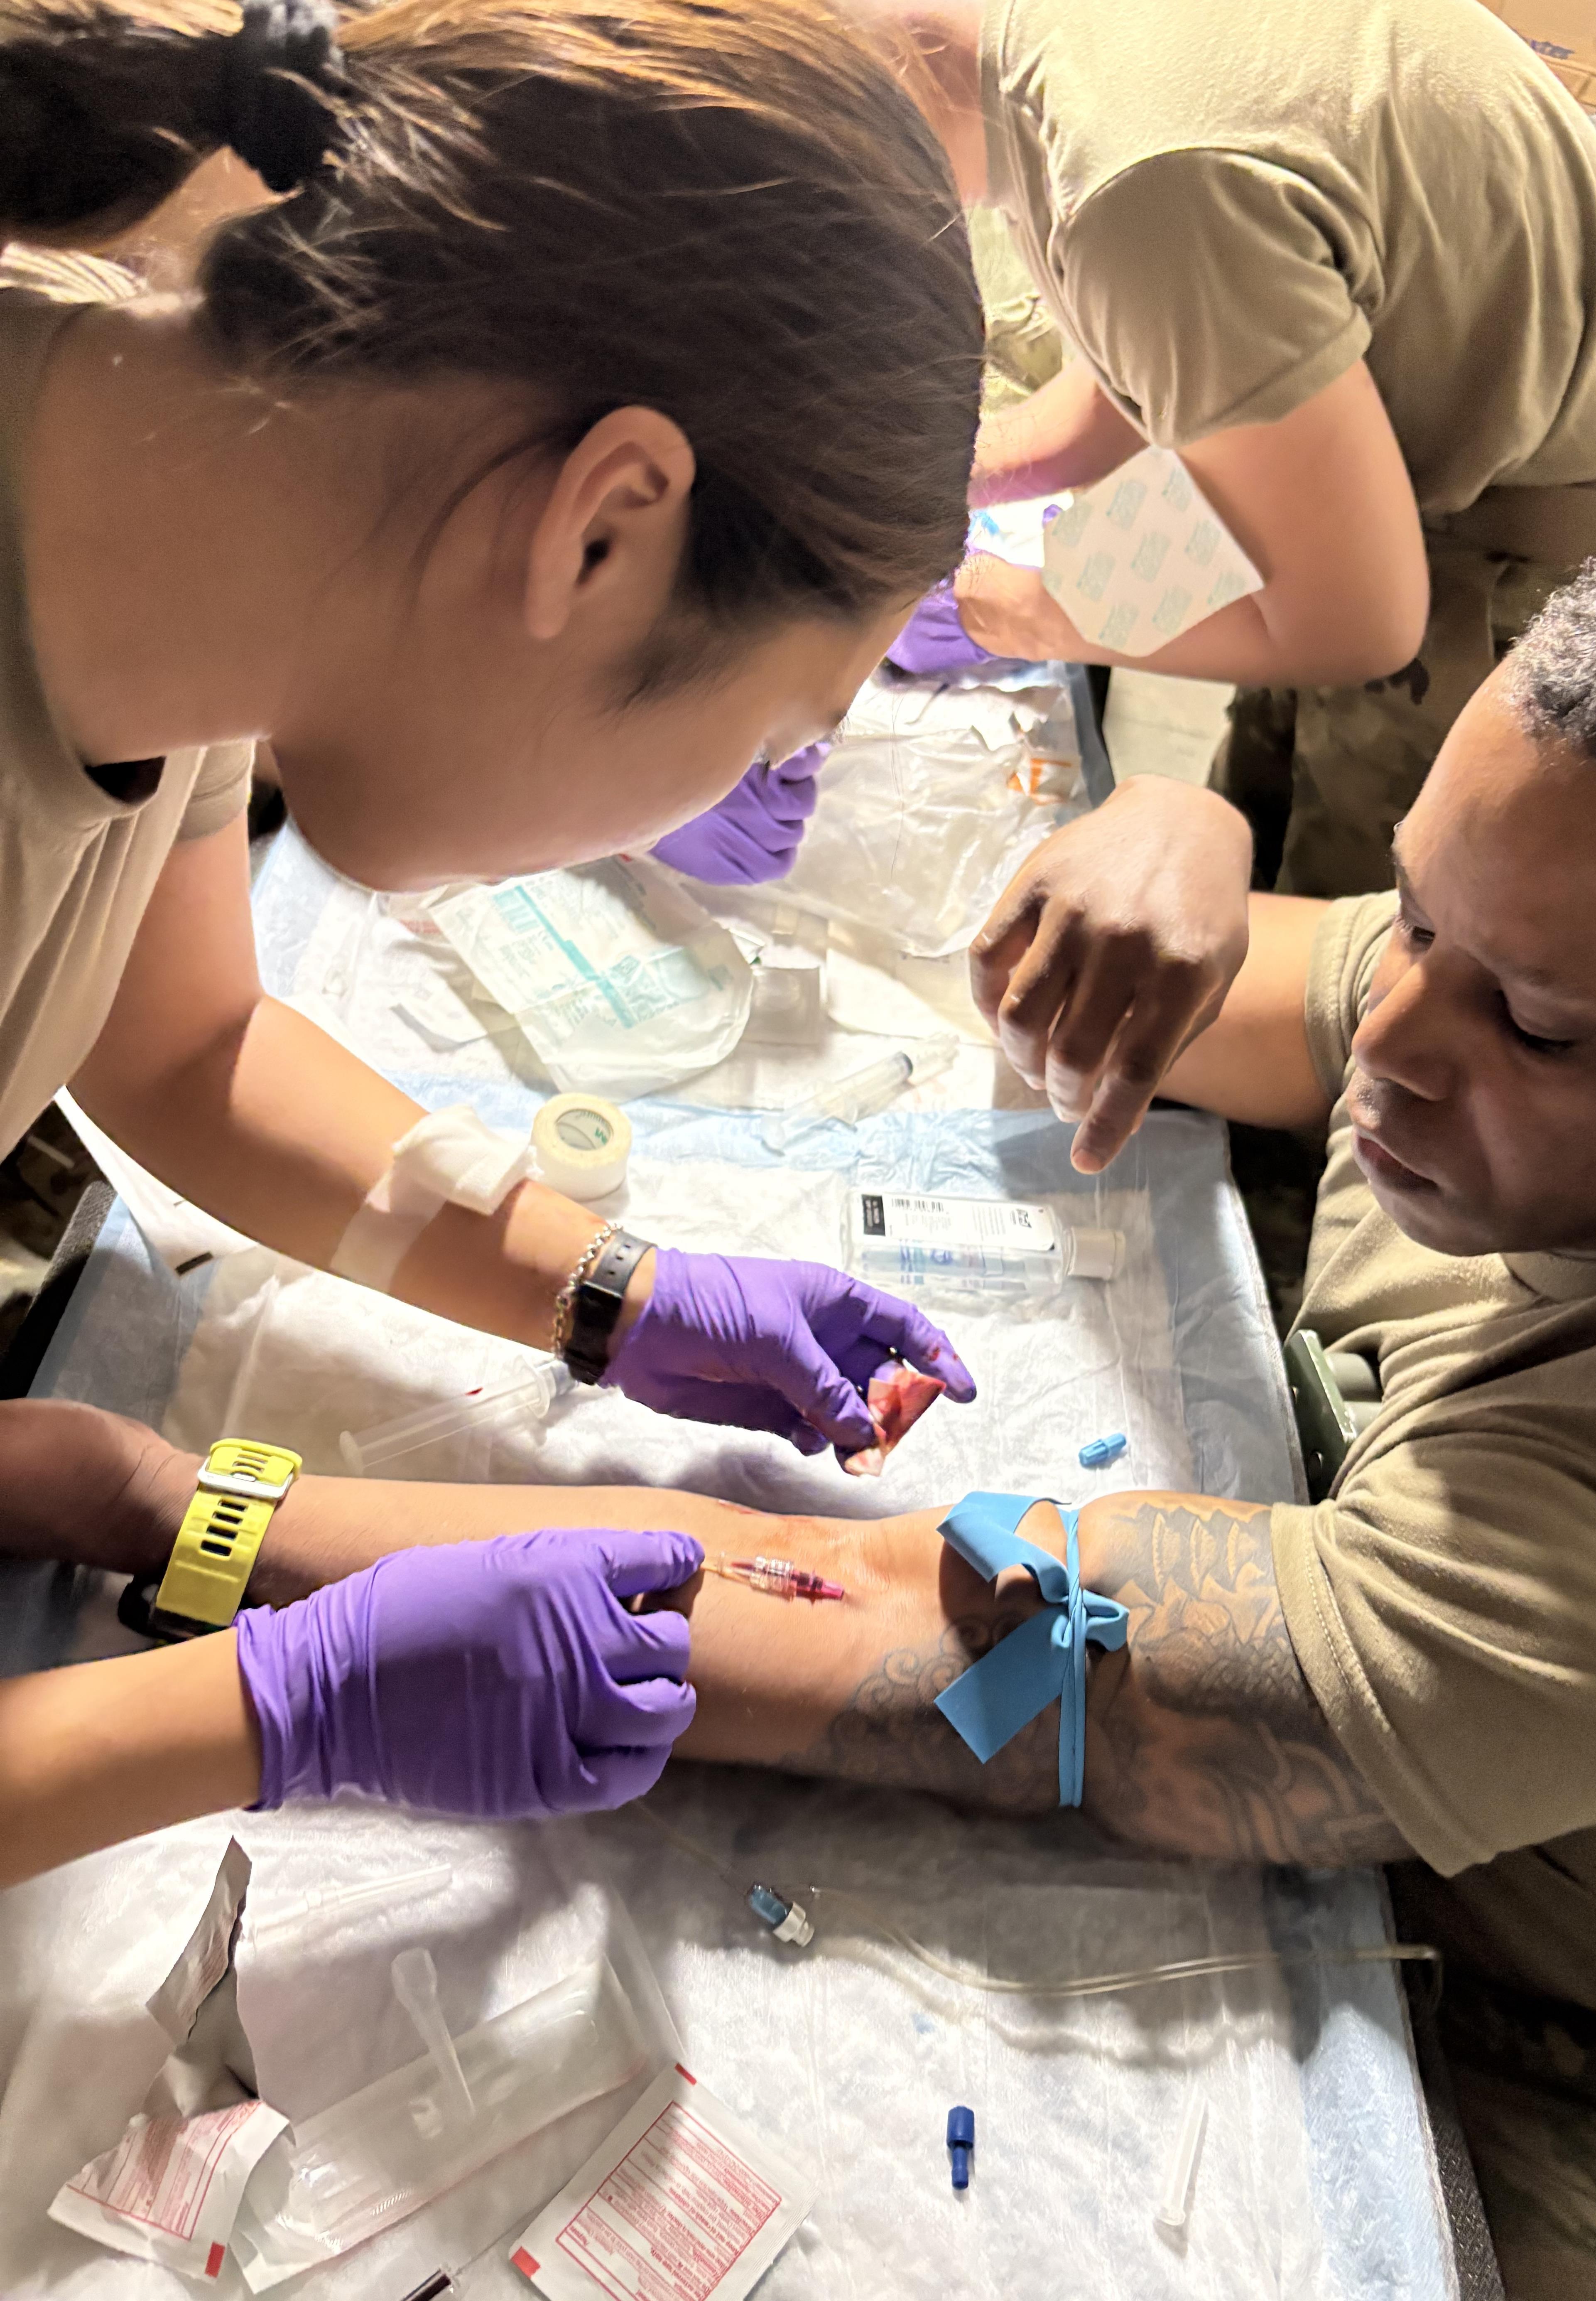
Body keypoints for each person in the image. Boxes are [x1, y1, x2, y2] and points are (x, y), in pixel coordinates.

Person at [10, 519, 1596, 2301]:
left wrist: (187, 1514)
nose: (1392, 1039)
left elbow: (924, 1624)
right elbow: (1205, 993)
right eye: (1414, 915)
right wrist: (1172, 844)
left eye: (1540, 1029)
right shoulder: (1546, 986)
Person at [0, 0, 983, 1514]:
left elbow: (181, 1046)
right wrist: (276, 1666)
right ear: (599, 534)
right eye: (779, 736)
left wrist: (606, 1290)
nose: (747, 792)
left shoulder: (195, 559)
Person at [849, 0, 1596, 1178]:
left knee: (1364, 988)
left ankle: (1287, 1236)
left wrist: (1039, 610)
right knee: (1236, 856)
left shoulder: (1139, 176)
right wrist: (959, 483)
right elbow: (1145, 365)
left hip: (1504, 553)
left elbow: (1357, 616)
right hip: (1395, 479)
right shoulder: (1056, 62)